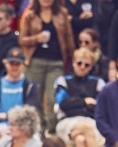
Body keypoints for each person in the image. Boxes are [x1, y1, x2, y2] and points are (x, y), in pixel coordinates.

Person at [19, 0, 76, 132]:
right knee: (35, 98)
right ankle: (39, 130)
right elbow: (22, 39)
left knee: (52, 98)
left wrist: (72, 58)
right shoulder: (30, 14)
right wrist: (37, 38)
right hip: (34, 62)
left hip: (56, 62)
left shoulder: (62, 13)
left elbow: (69, 38)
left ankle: (53, 130)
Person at [52, 46, 105, 147]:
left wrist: (75, 103)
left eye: (86, 65)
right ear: (73, 63)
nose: (82, 67)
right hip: (67, 122)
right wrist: (85, 102)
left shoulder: (98, 83)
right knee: (86, 128)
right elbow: (63, 104)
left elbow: (100, 107)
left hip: (91, 123)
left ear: (91, 66)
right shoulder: (63, 81)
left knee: (81, 140)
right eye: (79, 63)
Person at [0, 47, 41, 138]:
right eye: (11, 63)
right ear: (6, 64)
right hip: (1, 127)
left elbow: (31, 109)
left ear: (23, 65)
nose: (14, 67)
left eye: (17, 64)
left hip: (24, 127)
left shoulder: (31, 86)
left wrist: (7, 116)